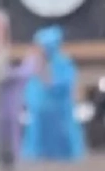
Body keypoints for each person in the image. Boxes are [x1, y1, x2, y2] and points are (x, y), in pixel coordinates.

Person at [21, 26, 86, 163]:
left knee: (64, 136)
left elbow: (61, 85)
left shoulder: (63, 62)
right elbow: (25, 82)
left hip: (60, 109)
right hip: (39, 110)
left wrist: (43, 72)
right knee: (36, 137)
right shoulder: (32, 61)